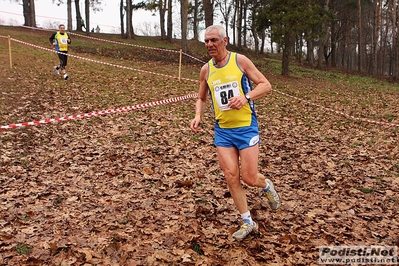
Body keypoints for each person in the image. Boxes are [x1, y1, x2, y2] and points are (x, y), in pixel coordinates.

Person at [189, 25, 281, 241]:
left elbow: (266, 85)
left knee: (249, 177)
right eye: (206, 41)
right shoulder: (206, 70)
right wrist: (198, 115)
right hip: (223, 131)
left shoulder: (240, 61)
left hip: (246, 126)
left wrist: (246, 97)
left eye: (214, 40)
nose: (210, 44)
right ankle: (247, 221)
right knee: (231, 176)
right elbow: (201, 97)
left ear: (225, 40)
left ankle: (266, 185)